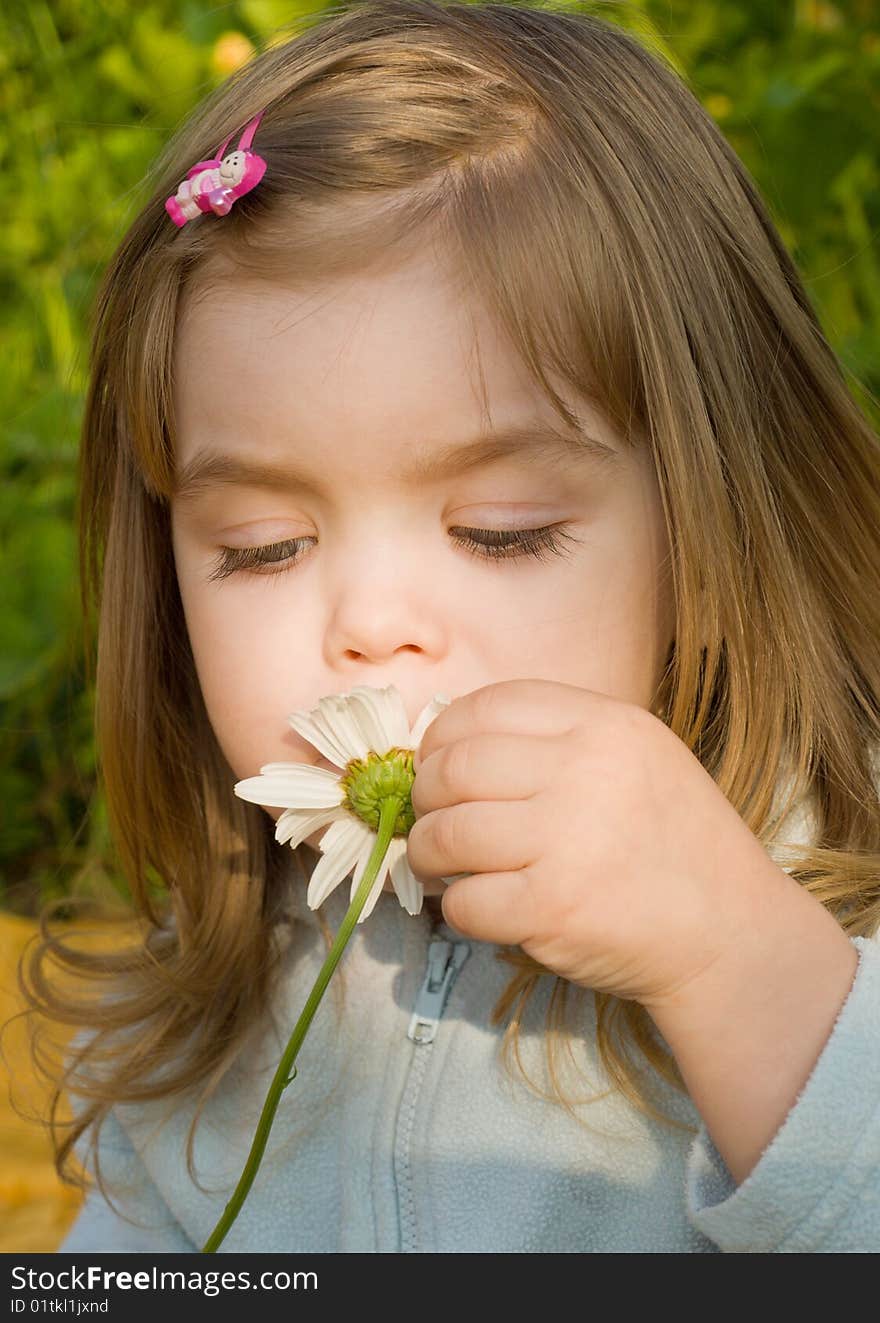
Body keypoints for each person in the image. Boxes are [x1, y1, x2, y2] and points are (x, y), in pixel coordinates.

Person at [24, 0, 880, 1253]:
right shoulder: (213, 992)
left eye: (502, 529)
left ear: (717, 526)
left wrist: (743, 971)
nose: (369, 627)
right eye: (259, 548)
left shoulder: (832, 892)